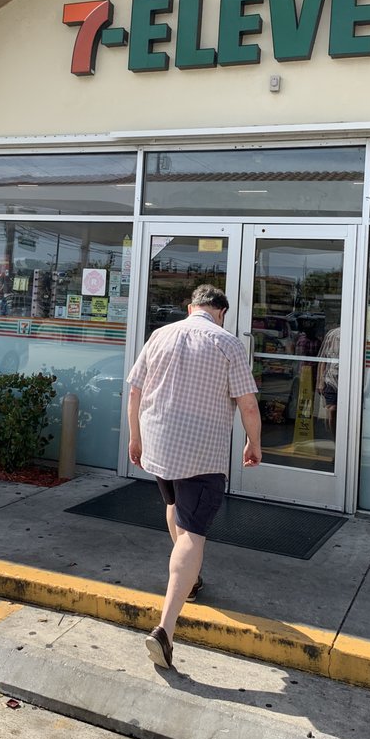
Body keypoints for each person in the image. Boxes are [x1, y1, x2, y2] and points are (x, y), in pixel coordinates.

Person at [127, 284, 262, 669]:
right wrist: (254, 443)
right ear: (221, 312)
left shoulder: (159, 335)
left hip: (160, 446)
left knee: (173, 505)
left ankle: (191, 579)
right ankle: (165, 630)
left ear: (191, 307)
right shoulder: (227, 343)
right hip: (202, 453)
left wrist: (135, 438)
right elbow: (249, 404)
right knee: (192, 535)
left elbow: (134, 392)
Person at [316, 325, 340, 436]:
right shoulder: (332, 334)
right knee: (331, 408)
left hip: (346, 380)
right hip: (330, 379)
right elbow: (323, 360)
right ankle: (334, 435)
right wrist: (320, 382)